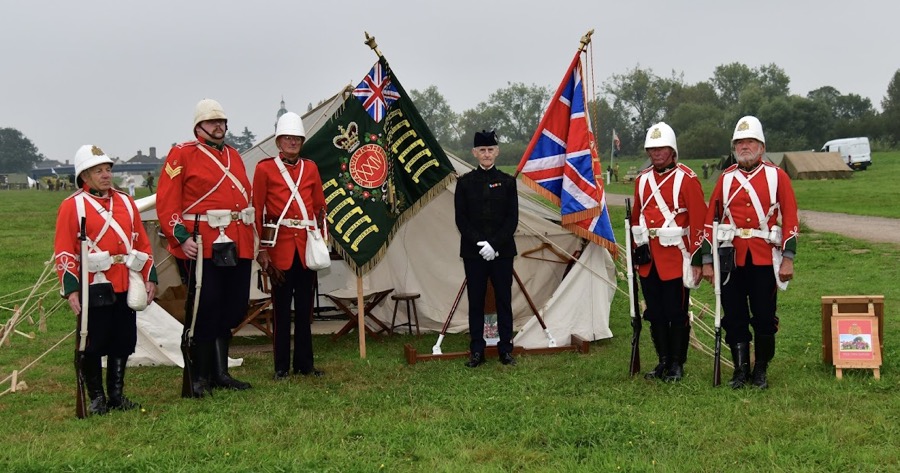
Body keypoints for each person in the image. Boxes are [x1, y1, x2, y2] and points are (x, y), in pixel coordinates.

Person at [156, 99, 255, 396]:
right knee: (204, 309)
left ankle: (220, 372)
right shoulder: (182, 154)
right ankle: (198, 377)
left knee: (233, 307)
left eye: (222, 122)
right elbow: (167, 200)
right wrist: (180, 237)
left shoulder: (235, 156)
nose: (218, 126)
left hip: (236, 241)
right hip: (203, 243)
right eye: (212, 122)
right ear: (198, 127)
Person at [54, 144, 158, 414]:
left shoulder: (124, 201)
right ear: (84, 176)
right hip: (93, 284)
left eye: (108, 169)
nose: (106, 174)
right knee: (92, 342)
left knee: (123, 339)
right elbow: (65, 250)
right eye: (98, 170)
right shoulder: (72, 206)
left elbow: (142, 243)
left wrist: (150, 277)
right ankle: (97, 398)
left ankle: (116, 395)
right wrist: (71, 289)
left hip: (125, 279)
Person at [701, 115, 798, 390]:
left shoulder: (777, 176)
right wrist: (707, 260)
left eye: (750, 141)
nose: (744, 147)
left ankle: (761, 370)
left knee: (765, 316)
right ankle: (741, 370)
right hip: (730, 257)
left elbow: (790, 217)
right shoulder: (725, 178)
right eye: (740, 142)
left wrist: (788, 257)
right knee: (733, 315)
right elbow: (711, 219)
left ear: (762, 146)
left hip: (763, 256)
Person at [629, 122, 706, 382]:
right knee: (655, 313)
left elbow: (699, 221)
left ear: (672, 150)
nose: (656, 153)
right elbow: (637, 216)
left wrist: (697, 259)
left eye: (661, 148)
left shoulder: (687, 178)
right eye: (652, 149)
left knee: (676, 312)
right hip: (648, 259)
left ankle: (677, 363)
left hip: (676, 257)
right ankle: (662, 360)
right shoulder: (641, 180)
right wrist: (635, 252)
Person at [253, 112, 326, 380]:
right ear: (278, 141)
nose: (293, 143)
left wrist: (319, 238)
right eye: (288, 138)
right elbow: (258, 209)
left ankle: (305, 364)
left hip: (305, 249)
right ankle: (281, 367)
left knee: (305, 310)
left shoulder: (311, 168)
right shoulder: (264, 169)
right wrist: (261, 251)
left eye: (297, 139)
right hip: (278, 249)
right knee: (281, 311)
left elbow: (319, 206)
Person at [454, 130, 518, 367]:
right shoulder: (464, 183)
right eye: (482, 150)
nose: (486, 154)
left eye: (490, 150)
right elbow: (461, 219)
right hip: (474, 253)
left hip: (502, 252)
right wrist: (481, 244)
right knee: (476, 301)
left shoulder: (509, 182)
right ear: (474, 153)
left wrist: (495, 245)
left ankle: (505, 349)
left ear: (497, 152)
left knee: (503, 300)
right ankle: (477, 350)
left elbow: (512, 219)